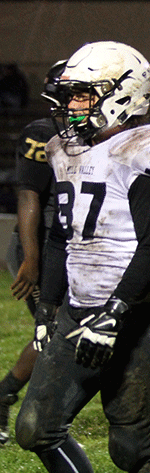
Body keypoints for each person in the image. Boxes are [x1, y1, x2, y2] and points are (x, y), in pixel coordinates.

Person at [15, 41, 150, 473]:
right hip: (78, 311)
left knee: (132, 448)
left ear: (124, 94)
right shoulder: (65, 148)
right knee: (35, 429)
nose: (71, 107)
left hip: (138, 315)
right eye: (67, 95)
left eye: (83, 94)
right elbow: (62, 235)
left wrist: (113, 313)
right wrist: (46, 308)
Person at [0, 60, 66, 447]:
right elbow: (28, 197)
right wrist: (31, 257)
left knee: (66, 332)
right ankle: (7, 395)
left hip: (66, 250)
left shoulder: (93, 135)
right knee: (53, 333)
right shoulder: (43, 132)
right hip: (38, 247)